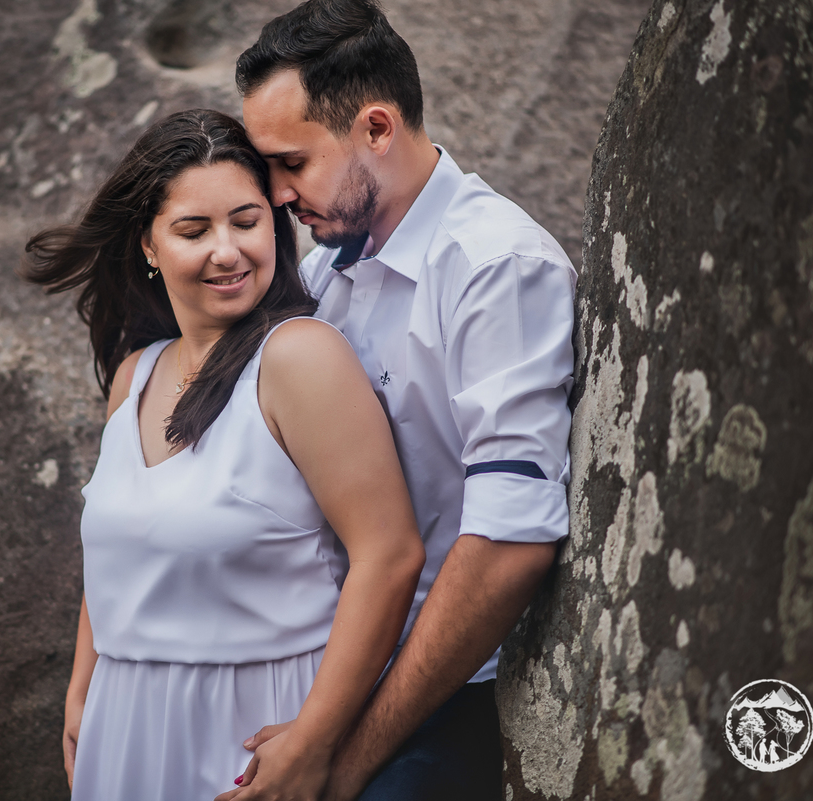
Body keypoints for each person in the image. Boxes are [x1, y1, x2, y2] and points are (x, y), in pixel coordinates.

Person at [20, 108, 425, 801]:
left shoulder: (299, 358)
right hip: (124, 725)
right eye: (194, 230)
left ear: (275, 226)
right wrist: (82, 690)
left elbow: (388, 556)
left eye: (246, 221)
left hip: (250, 731)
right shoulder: (136, 375)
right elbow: (120, 552)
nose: (228, 250)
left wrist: (314, 740)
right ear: (149, 245)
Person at [226, 1, 577, 799]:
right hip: (325, 680)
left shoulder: (497, 267)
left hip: (449, 697)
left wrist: (342, 760)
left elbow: (510, 540)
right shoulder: (324, 271)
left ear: (377, 128)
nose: (277, 194)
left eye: (291, 163)